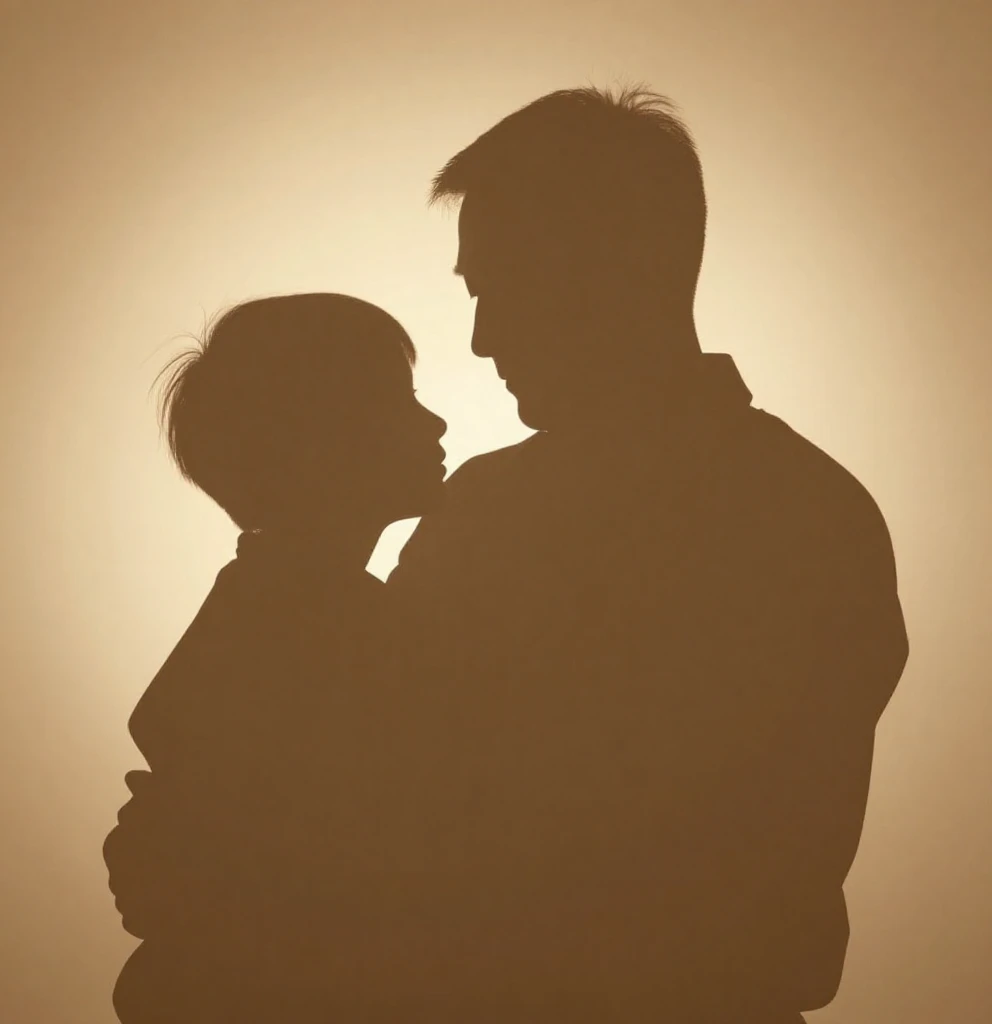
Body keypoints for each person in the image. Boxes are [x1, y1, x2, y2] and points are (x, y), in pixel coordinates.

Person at [386, 85, 910, 1023]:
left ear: (611, 274)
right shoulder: (819, 510)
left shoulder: (496, 516)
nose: (481, 338)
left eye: (500, 289)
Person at [103, 293, 450, 1023]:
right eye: (400, 403)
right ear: (324, 443)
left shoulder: (274, 602)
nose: (436, 423)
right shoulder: (313, 623)